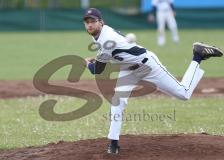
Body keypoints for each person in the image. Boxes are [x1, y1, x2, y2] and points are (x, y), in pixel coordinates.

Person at [82, 8, 223, 154]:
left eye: (93, 21)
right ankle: (113, 144)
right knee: (118, 101)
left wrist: (87, 62)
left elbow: (96, 70)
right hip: (128, 69)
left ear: (101, 22)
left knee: (183, 93)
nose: (89, 25)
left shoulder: (106, 39)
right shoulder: (100, 35)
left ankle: (198, 56)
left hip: (147, 66)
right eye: (87, 22)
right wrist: (99, 58)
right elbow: (116, 54)